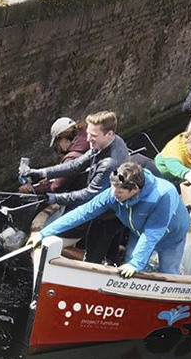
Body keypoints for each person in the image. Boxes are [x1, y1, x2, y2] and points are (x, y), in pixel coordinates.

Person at [26, 162, 191, 277]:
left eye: (119, 193)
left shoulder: (163, 195)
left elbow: (152, 234)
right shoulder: (114, 192)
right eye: (113, 190)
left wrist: (136, 264)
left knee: (167, 271)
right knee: (131, 260)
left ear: (134, 189)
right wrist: (44, 233)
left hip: (171, 236)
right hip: (139, 231)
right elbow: (82, 212)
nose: (114, 195)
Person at [21, 111, 130, 264]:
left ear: (109, 134)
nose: (87, 139)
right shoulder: (107, 142)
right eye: (88, 133)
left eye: (93, 135)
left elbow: (88, 195)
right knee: (111, 250)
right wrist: (40, 173)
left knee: (93, 259)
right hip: (115, 209)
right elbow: (76, 166)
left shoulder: (109, 163)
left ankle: (102, 272)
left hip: (106, 215)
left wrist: (52, 198)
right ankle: (114, 259)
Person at [19, 117, 90, 195]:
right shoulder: (90, 141)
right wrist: (53, 177)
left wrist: (33, 189)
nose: (59, 146)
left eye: (58, 142)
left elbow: (58, 186)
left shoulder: (72, 157)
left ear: (63, 139)